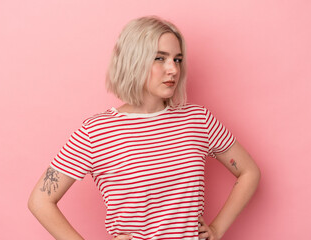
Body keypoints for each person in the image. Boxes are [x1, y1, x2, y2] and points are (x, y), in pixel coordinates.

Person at [28, 16, 261, 240]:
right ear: (133, 60)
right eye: (160, 58)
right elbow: (40, 200)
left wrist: (218, 229)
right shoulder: (96, 132)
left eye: (177, 59)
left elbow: (249, 171)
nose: (173, 69)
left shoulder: (198, 120)